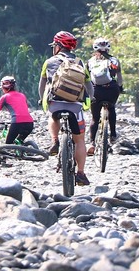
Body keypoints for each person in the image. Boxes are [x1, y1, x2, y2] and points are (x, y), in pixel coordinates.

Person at [38, 31, 95, 186]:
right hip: (75, 106)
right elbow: (89, 84)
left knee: (52, 116)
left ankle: (55, 141)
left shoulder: (49, 62)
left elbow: (42, 84)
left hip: (55, 104)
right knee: (79, 141)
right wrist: (91, 97)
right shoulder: (80, 62)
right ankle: (81, 174)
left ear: (58, 46)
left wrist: (42, 98)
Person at [86, 38, 123, 155]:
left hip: (96, 90)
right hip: (111, 89)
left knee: (95, 118)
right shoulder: (114, 60)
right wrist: (120, 88)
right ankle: (113, 135)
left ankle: (91, 142)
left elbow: (86, 79)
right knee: (111, 108)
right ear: (108, 48)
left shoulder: (90, 61)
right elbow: (119, 77)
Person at [0, 76, 34, 144]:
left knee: (8, 144)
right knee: (19, 141)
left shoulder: (4, 97)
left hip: (17, 123)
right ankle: (22, 150)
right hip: (30, 123)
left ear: (3, 88)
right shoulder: (22, 95)